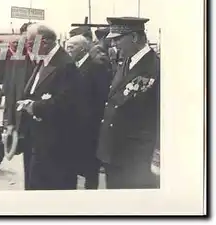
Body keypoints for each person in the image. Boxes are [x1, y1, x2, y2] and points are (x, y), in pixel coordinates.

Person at [96, 17, 160, 189]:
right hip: (114, 152)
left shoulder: (155, 67)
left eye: (118, 39)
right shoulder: (126, 62)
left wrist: (157, 157)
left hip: (136, 156)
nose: (114, 45)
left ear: (134, 38)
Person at [16, 23, 81, 190]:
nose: (27, 48)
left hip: (54, 142)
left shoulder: (65, 64)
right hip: (35, 138)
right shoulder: (43, 60)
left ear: (44, 42)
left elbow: (67, 102)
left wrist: (35, 107)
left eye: (30, 43)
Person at [65, 35, 112, 189]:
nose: (68, 49)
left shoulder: (96, 66)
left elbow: (102, 96)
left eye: (72, 46)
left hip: (90, 126)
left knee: (91, 168)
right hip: (74, 125)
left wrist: (93, 121)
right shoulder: (70, 66)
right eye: (67, 46)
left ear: (83, 48)